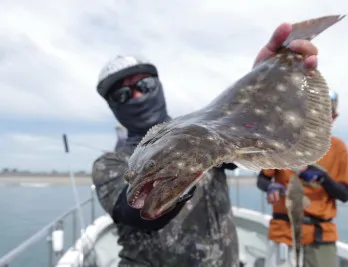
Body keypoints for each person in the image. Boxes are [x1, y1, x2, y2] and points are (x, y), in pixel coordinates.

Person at [91, 22, 320, 267]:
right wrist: (176, 172)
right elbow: (137, 213)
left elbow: (250, 141)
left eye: (143, 86)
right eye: (122, 94)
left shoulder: (208, 130)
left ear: (158, 86)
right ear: (113, 105)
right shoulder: (108, 164)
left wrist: (265, 82)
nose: (136, 96)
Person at [257, 90, 348, 267]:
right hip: (283, 232)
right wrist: (270, 187)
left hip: (320, 235)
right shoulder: (283, 142)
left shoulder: (338, 148)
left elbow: (345, 194)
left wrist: (324, 178)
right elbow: (262, 180)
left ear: (334, 117)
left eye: (326, 113)